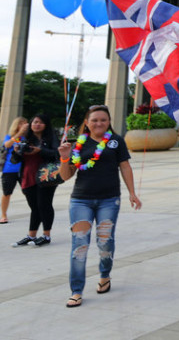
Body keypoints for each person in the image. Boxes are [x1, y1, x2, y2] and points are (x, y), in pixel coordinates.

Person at [57, 105, 141, 308]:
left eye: (103, 119)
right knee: (79, 245)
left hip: (108, 200)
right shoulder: (78, 144)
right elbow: (65, 176)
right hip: (80, 200)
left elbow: (125, 166)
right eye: (94, 120)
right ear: (87, 122)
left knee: (105, 242)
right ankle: (76, 290)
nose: (99, 123)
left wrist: (132, 193)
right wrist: (65, 157)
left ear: (109, 121)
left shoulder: (116, 141)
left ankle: (105, 275)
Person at [12, 113, 59, 248]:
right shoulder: (26, 140)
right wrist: (16, 151)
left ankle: (46, 235)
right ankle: (31, 235)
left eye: (40, 122)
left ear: (46, 124)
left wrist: (40, 150)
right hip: (28, 177)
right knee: (34, 207)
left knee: (44, 205)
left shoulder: (51, 138)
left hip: (46, 177)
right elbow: (14, 160)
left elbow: (56, 153)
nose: (36, 125)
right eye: (34, 122)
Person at [0, 116, 27, 224]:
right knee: (7, 193)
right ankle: (3, 215)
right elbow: (7, 145)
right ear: (17, 125)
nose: (25, 125)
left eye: (25, 123)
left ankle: (36, 211)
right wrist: (19, 133)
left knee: (29, 192)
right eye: (22, 123)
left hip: (24, 169)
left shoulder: (27, 138)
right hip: (10, 169)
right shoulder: (10, 137)